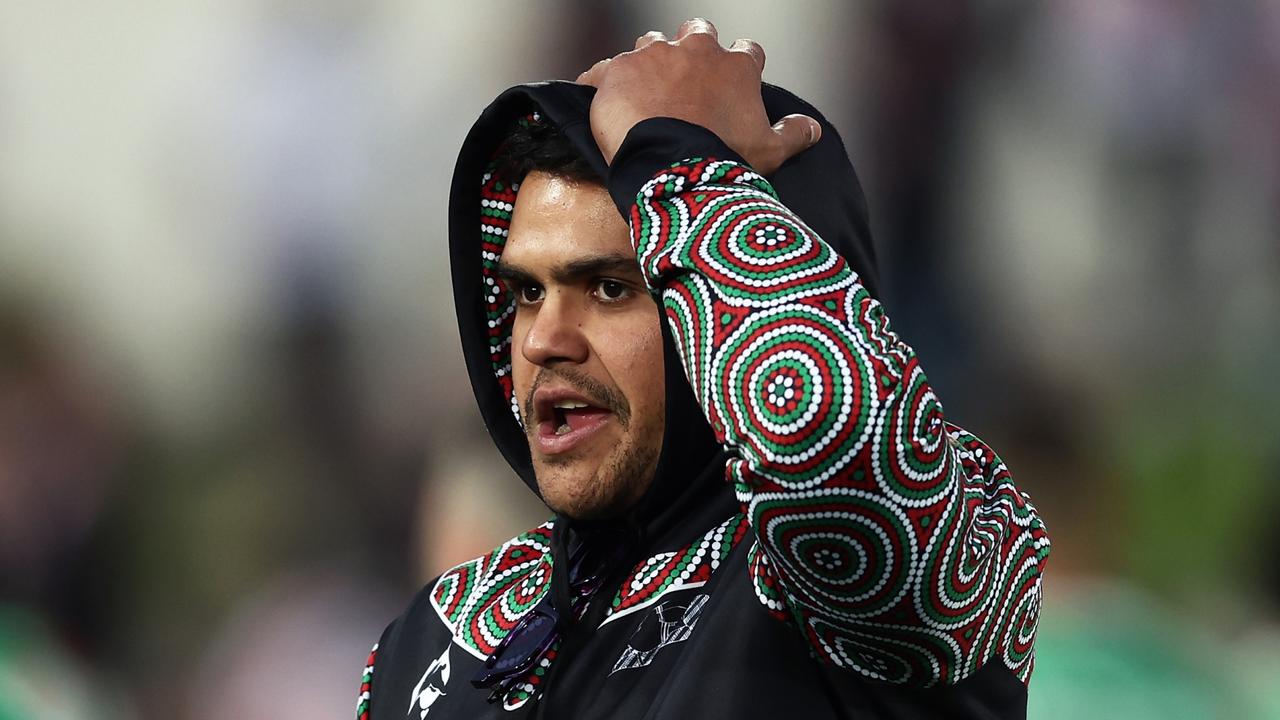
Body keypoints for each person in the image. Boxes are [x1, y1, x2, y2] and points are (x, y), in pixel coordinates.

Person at [357, 19, 1049, 719]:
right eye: (529, 293)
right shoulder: (439, 636)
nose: (544, 341)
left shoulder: (886, 563)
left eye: (610, 288)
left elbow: (820, 433)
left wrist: (672, 161)